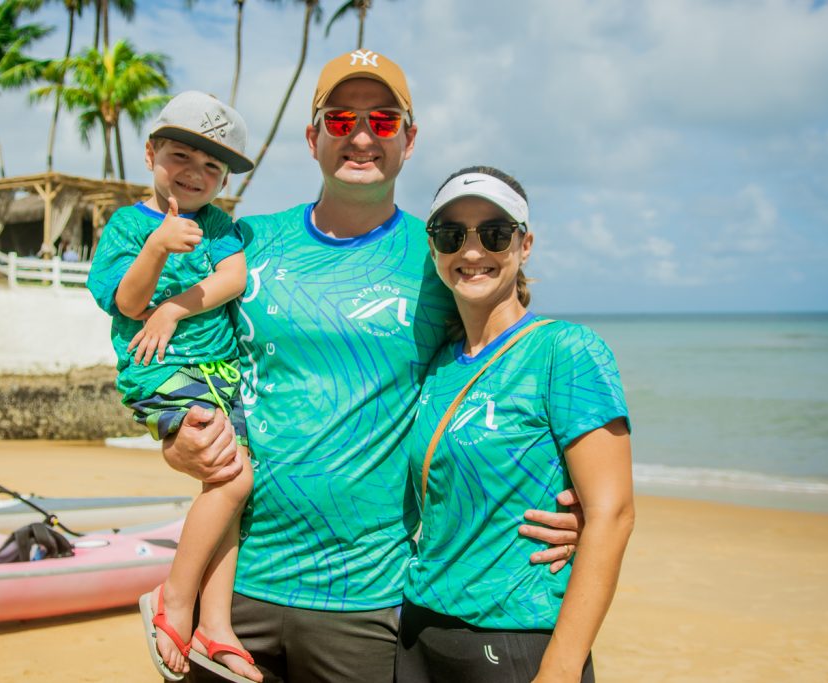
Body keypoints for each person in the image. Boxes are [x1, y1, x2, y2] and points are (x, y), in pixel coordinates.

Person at [149, 51, 585, 683]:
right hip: (232, 584)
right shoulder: (242, 242)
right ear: (312, 135)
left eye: (383, 122)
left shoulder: (442, 257)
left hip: (371, 600)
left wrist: (571, 511)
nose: (360, 136)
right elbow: (174, 350)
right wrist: (171, 436)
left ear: (409, 139)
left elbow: (509, 375)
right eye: (341, 118)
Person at [395, 166, 634, 682]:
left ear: (525, 246)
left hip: (516, 637)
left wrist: (563, 667)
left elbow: (612, 513)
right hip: (419, 633)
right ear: (435, 250)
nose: (473, 251)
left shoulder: (564, 351)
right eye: (452, 235)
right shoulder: (435, 365)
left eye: (495, 233)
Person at [86, 91, 263, 683]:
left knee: (232, 488)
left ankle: (217, 622)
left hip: (221, 374)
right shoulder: (128, 226)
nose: (196, 172)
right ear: (150, 153)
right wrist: (159, 248)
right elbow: (129, 303)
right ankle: (176, 600)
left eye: (212, 166)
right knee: (232, 475)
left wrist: (177, 309)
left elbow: (234, 278)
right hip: (160, 370)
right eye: (181, 154)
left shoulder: (219, 226)